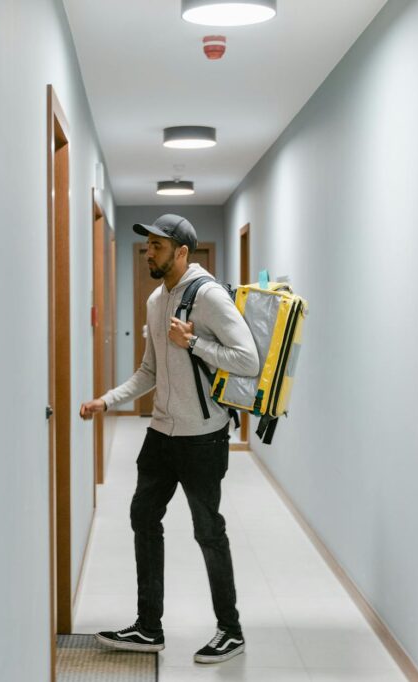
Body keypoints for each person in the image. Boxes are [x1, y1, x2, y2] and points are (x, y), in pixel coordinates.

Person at [79, 214, 259, 664]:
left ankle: (230, 630)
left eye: (158, 246)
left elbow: (247, 360)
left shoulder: (209, 296)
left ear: (182, 252)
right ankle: (148, 627)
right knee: (143, 517)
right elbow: (150, 371)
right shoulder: (156, 300)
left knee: (207, 531)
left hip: (202, 438)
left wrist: (195, 343)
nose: (149, 253)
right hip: (160, 434)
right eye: (148, 246)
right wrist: (108, 400)